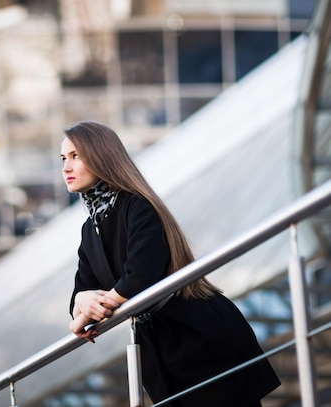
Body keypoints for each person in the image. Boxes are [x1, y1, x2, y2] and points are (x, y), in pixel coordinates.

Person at [61, 121, 280, 406]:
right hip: (161, 353)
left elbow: (141, 277)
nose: (66, 167)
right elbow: (80, 297)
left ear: (102, 156)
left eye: (75, 156)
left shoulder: (136, 205)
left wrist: (97, 306)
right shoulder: (90, 229)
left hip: (200, 339)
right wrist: (82, 300)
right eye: (63, 159)